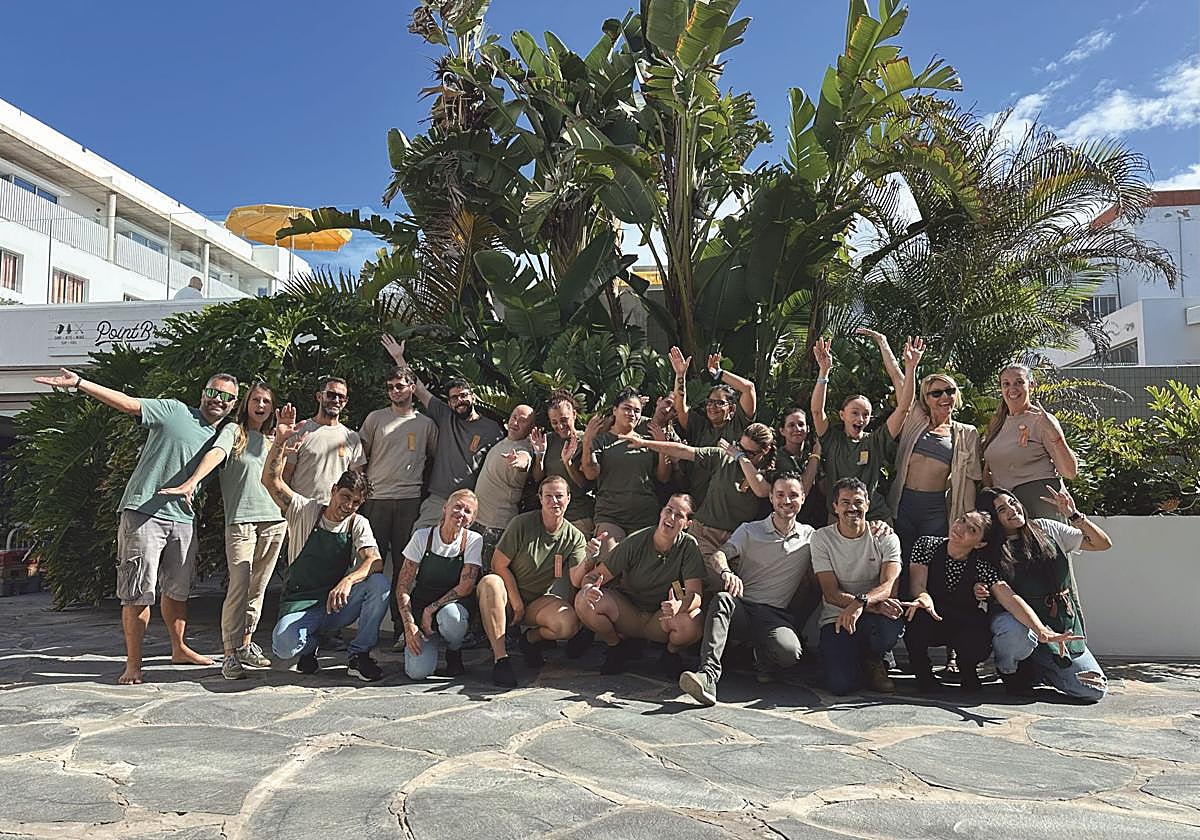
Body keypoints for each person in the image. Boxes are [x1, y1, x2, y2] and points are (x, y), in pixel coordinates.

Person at [33, 367, 238, 684]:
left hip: (184, 519)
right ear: (203, 392)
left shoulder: (223, 437)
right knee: (138, 592)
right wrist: (81, 383)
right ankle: (133, 664)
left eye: (226, 397)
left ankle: (179, 648)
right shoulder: (174, 411)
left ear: (233, 404)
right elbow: (128, 403)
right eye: (214, 392)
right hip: (144, 513)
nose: (218, 400)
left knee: (177, 592)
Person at [159, 382, 287, 680]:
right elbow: (216, 454)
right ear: (246, 404)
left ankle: (245, 644)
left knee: (258, 589)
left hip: (274, 521)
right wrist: (192, 481)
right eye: (256, 400)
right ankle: (230, 653)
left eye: (266, 401)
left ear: (272, 407)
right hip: (241, 522)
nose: (261, 405)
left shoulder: (274, 439)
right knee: (239, 585)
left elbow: (282, 479)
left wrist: (284, 440)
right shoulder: (233, 432)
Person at [264, 405, 389, 682]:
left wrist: (348, 581)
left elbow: (375, 560)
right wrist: (280, 442)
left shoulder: (357, 523)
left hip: (335, 604)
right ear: (333, 491)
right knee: (285, 647)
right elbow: (271, 481)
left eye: (356, 502)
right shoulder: (304, 510)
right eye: (345, 497)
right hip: (300, 603)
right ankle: (310, 647)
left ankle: (359, 654)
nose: (349, 506)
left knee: (379, 584)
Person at [677, 473, 816, 706]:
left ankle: (761, 654)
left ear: (803, 498)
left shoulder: (810, 536)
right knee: (722, 599)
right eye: (780, 494)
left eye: (793, 495)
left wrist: (876, 526)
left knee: (789, 653)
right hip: (741, 608)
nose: (786, 501)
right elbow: (719, 555)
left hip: (774, 616)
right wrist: (726, 572)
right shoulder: (750, 530)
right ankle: (707, 676)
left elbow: (840, 540)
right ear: (771, 498)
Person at [906, 511, 1082, 694]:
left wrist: (1041, 630)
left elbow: (1009, 597)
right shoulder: (926, 545)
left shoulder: (983, 565)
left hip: (962, 621)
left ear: (980, 543)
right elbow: (917, 584)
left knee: (978, 639)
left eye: (972, 530)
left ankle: (967, 668)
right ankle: (922, 673)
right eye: (962, 520)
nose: (961, 528)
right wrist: (923, 597)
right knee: (916, 616)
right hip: (932, 615)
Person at [976, 486, 1110, 702]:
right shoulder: (989, 550)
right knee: (1015, 632)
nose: (1012, 510)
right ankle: (1009, 670)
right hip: (1020, 622)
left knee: (1093, 689)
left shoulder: (1046, 527)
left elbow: (1102, 544)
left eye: (1012, 503)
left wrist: (1074, 516)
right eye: (1002, 510)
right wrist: (1040, 630)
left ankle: (1040, 668)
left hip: (1059, 621)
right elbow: (1007, 596)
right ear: (993, 518)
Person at [615, 423, 776, 589]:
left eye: (749, 453)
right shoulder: (723, 458)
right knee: (710, 582)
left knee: (731, 588)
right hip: (704, 534)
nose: (739, 452)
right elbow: (683, 451)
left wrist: (740, 457)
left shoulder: (767, 474)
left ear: (764, 451)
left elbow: (761, 490)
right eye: (740, 447)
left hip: (735, 542)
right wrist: (645, 443)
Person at [574, 494, 705, 679]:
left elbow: (696, 595)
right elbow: (593, 576)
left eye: (679, 515)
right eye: (668, 510)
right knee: (583, 601)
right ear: (661, 512)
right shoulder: (636, 541)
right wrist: (589, 588)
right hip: (628, 613)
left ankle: (670, 654)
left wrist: (679, 606)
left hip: (661, 618)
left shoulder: (689, 547)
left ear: (687, 524)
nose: (671, 518)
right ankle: (616, 647)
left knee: (693, 620)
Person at [476, 476, 590, 687]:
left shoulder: (574, 537)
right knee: (490, 582)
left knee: (568, 623)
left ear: (568, 499)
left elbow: (576, 578)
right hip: (505, 598)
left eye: (559, 496)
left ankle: (530, 640)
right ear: (540, 498)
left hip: (536, 601)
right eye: (548, 496)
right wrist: (516, 601)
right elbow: (498, 564)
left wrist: (591, 558)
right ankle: (501, 659)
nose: (554, 501)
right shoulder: (521, 523)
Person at [382, 335, 504, 528]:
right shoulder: (445, 416)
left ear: (473, 397)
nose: (459, 401)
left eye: (463, 395)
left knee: (458, 545)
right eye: (454, 398)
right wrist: (398, 357)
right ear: (449, 403)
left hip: (468, 502)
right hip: (438, 499)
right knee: (419, 537)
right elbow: (419, 389)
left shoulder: (492, 429)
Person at [357, 366, 438, 642]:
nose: (395, 391)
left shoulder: (426, 424)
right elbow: (360, 456)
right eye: (391, 387)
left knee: (406, 566)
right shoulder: (375, 418)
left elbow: (435, 458)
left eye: (400, 386)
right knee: (372, 563)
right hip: (376, 499)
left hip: (409, 501)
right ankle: (366, 629)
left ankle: (402, 627)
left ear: (412, 388)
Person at [811, 335, 924, 521]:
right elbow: (817, 411)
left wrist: (911, 368)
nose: (860, 418)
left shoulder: (875, 441)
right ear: (842, 415)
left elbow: (904, 409)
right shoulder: (832, 439)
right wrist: (824, 371)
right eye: (855, 413)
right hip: (838, 519)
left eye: (866, 414)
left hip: (874, 518)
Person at [810, 478, 905, 694]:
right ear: (835, 507)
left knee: (890, 625)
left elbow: (889, 585)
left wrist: (860, 604)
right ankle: (847, 661)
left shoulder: (886, 537)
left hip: (874, 615)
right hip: (838, 617)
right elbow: (831, 593)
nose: (852, 508)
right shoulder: (821, 538)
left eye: (858, 502)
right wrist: (865, 605)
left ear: (868, 505)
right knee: (840, 686)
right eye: (845, 502)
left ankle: (875, 659)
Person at [395, 490, 484, 680]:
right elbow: (403, 586)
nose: (461, 513)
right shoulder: (421, 537)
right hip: (421, 606)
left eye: (468, 511)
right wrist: (409, 626)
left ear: (472, 519)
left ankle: (454, 649)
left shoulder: (473, 540)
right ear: (445, 508)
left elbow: (466, 586)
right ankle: (428, 641)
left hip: (453, 607)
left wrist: (431, 609)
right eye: (457, 507)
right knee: (417, 673)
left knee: (452, 618)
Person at [581, 388, 671, 561]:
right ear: (615, 410)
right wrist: (587, 441)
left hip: (644, 516)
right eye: (627, 408)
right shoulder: (602, 440)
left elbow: (663, 477)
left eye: (637, 410)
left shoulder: (646, 441)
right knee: (610, 562)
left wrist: (661, 446)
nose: (632, 414)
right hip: (611, 515)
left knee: (641, 567)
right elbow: (590, 474)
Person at [982, 364, 1080, 520]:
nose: (1012, 389)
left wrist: (1055, 436)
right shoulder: (997, 423)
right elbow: (989, 469)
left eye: (1019, 382)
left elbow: (1070, 472)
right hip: (1008, 508)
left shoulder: (1042, 420)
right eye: (1006, 384)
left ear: (1031, 385)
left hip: (1040, 502)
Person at [668, 347, 757, 504]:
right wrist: (680, 375)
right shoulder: (700, 427)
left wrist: (719, 373)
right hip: (698, 502)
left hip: (727, 505)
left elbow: (748, 388)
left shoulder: (738, 425)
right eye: (709, 402)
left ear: (732, 408)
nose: (712, 407)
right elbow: (680, 409)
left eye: (719, 403)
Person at [470, 404, 539, 565]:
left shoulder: (524, 447)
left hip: (494, 527)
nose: (515, 422)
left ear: (531, 428)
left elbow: (524, 459)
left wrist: (518, 461)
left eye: (522, 421)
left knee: (487, 573)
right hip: (478, 521)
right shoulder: (505, 441)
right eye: (514, 417)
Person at [282, 376, 365, 503]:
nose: (336, 400)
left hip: (335, 509)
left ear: (346, 401)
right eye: (331, 395)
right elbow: (286, 474)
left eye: (341, 397)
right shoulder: (300, 430)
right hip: (301, 508)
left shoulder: (352, 437)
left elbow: (356, 482)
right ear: (319, 396)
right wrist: (285, 506)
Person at [542, 391, 595, 534]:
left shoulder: (585, 441)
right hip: (551, 515)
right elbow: (538, 478)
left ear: (574, 415)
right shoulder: (548, 440)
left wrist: (568, 463)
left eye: (564, 420)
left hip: (578, 515)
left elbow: (585, 485)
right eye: (554, 422)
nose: (560, 426)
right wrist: (539, 455)